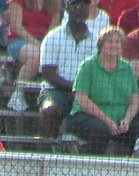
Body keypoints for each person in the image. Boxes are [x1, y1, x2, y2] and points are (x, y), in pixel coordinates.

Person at [65, 25, 139, 155]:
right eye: (109, 41)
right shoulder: (87, 66)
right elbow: (82, 99)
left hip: (120, 120)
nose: (114, 45)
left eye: (117, 42)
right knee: (101, 130)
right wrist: (107, 121)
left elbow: (134, 100)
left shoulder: (127, 68)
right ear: (101, 44)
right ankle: (91, 167)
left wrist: (127, 120)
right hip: (87, 117)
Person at [38, 0, 97, 139]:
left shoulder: (96, 41)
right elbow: (48, 73)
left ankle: (81, 150)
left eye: (84, 5)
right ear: (66, 7)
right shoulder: (53, 37)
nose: (80, 9)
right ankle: (56, 143)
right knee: (49, 110)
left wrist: (81, 92)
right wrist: (74, 89)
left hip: (87, 93)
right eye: (75, 5)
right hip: (55, 91)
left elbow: (97, 73)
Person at [5, 0, 60, 112]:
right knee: (35, 54)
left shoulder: (55, 2)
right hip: (19, 40)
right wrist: (37, 43)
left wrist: (45, 44)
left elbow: (53, 30)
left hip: (44, 42)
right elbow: (16, 26)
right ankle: (18, 94)